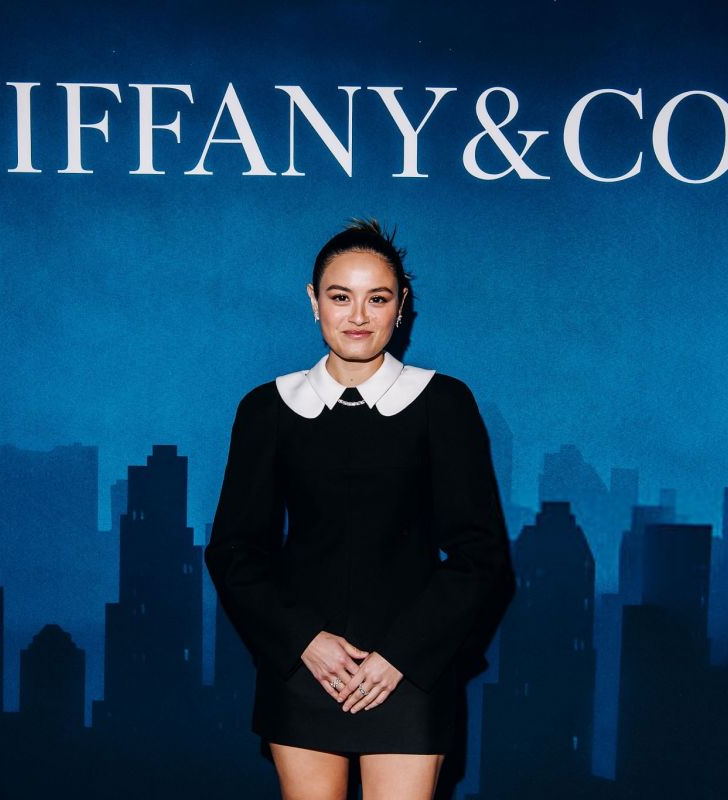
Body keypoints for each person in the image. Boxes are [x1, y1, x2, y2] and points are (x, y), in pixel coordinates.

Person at [204, 218, 515, 800]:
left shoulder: (443, 402)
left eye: (378, 298)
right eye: (340, 296)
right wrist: (304, 641)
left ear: (402, 306)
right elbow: (235, 551)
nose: (358, 316)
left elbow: (480, 555)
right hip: (303, 667)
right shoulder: (267, 408)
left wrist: (401, 656)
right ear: (314, 302)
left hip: (410, 671)